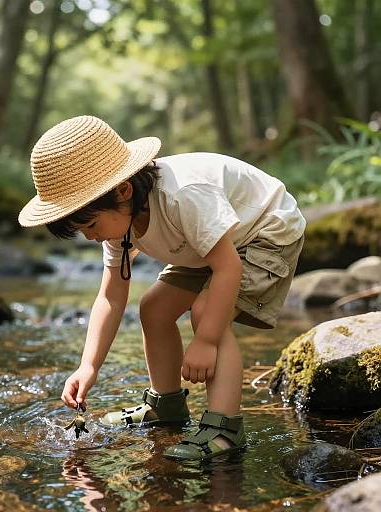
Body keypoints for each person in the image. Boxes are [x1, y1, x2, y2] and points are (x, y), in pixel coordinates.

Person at [18, 115, 306, 462]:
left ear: (123, 190)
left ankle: (225, 429)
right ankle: (166, 404)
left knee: (206, 313)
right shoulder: (119, 219)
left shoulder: (182, 195)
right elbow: (110, 295)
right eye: (82, 232)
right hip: (206, 245)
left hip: (265, 232)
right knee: (153, 307)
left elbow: (227, 268)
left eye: (91, 225)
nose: (91, 237)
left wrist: (206, 341)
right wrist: (88, 366)